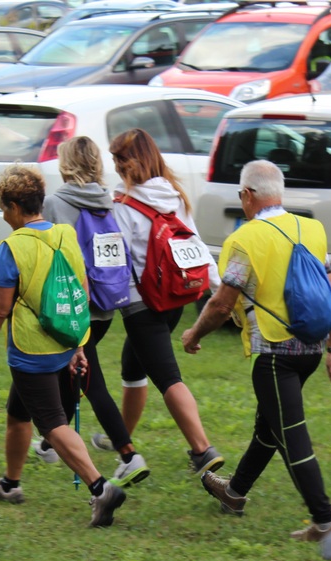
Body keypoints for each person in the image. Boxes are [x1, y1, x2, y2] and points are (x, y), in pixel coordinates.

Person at [181, 159, 331, 541]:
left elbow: (221, 304)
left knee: (291, 435)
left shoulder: (245, 239)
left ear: (247, 195)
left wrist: (193, 333)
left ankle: (325, 523)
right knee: (269, 427)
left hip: (276, 356)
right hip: (311, 350)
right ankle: (234, 492)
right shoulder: (312, 228)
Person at [0, 135, 148, 502]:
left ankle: (101, 488)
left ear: (14, 206)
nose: (3, 215)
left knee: (53, 424)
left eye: (3, 207)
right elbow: (81, 292)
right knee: (17, 413)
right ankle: (10, 484)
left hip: (32, 350)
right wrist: (79, 345)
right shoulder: (66, 234)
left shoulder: (12, 247)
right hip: (64, 341)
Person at [110, 127, 226, 478]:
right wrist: (218, 286)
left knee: (168, 378)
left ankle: (202, 449)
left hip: (142, 304)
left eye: (118, 159)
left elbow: (116, 260)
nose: (115, 166)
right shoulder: (174, 196)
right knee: (133, 366)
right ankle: (120, 438)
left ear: (130, 162)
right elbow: (195, 244)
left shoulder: (123, 205)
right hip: (175, 298)